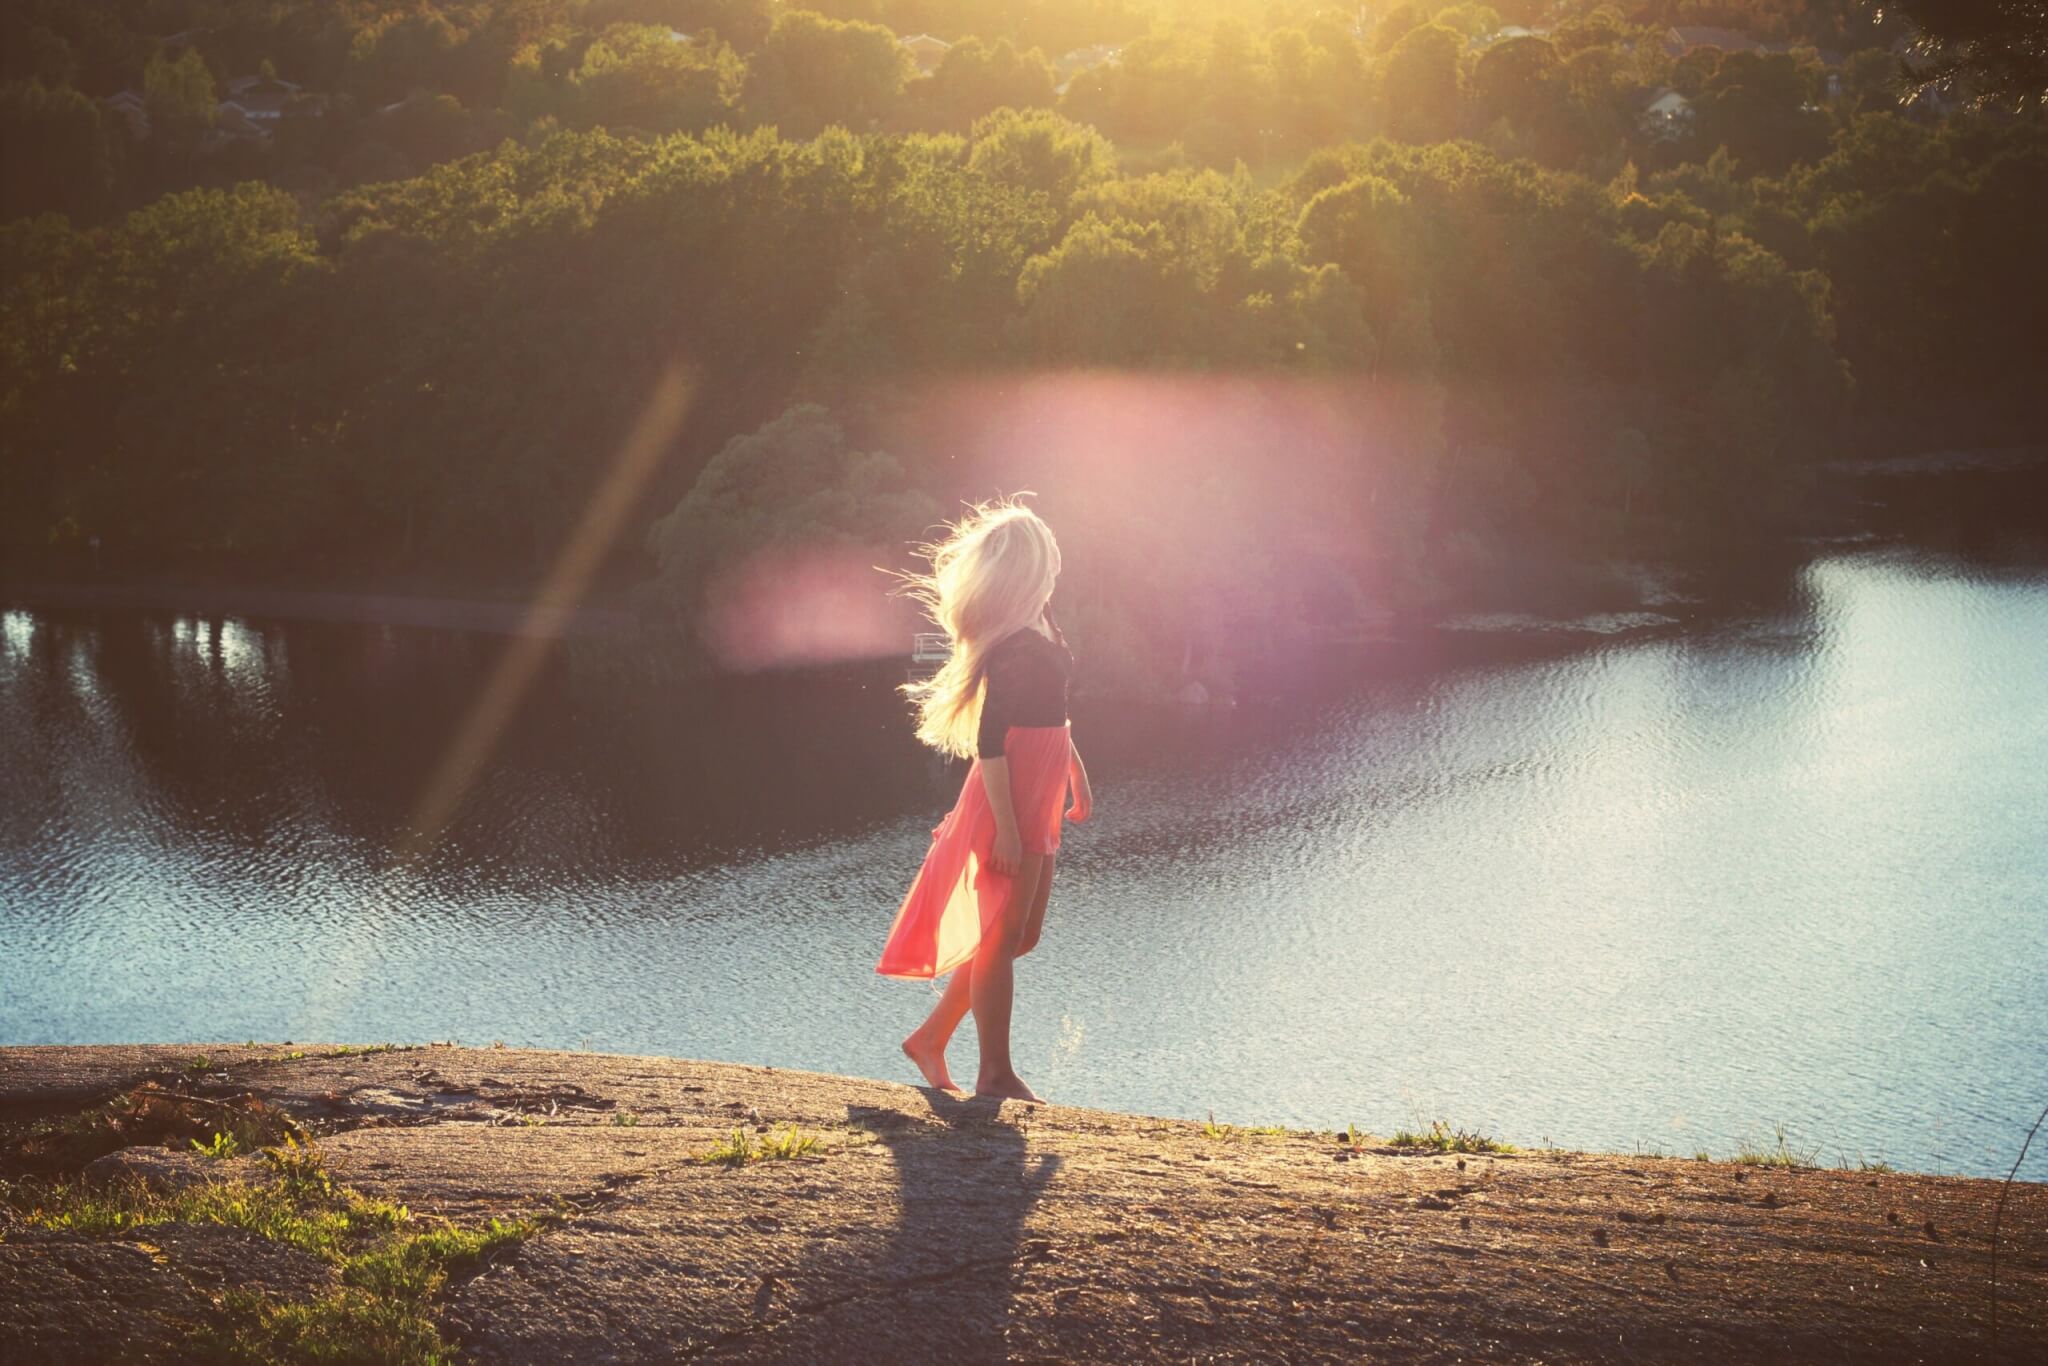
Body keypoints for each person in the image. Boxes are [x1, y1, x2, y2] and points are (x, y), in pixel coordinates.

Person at [877, 497, 1093, 1103]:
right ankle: (994, 1075)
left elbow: (1053, 714)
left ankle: (930, 1037)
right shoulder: (1016, 646)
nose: (1057, 563)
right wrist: (1005, 828)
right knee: (1002, 936)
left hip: (1042, 788)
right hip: (1010, 796)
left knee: (1021, 936)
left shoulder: (1043, 625)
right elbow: (991, 741)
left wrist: (1076, 771)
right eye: (1048, 555)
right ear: (1031, 565)